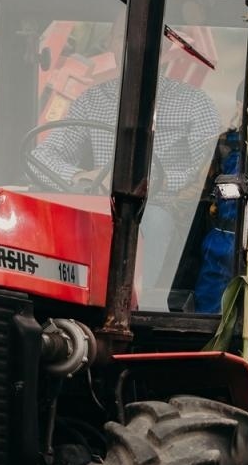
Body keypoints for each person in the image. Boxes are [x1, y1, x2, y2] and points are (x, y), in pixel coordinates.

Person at [31, 26, 220, 304]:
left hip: (163, 209)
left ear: (165, 48)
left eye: (146, 35)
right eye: (123, 34)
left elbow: (206, 173)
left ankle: (136, 308)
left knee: (152, 220)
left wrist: (159, 182)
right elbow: (41, 157)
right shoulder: (92, 100)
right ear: (110, 43)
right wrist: (81, 176)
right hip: (99, 207)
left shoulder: (195, 105)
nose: (134, 43)